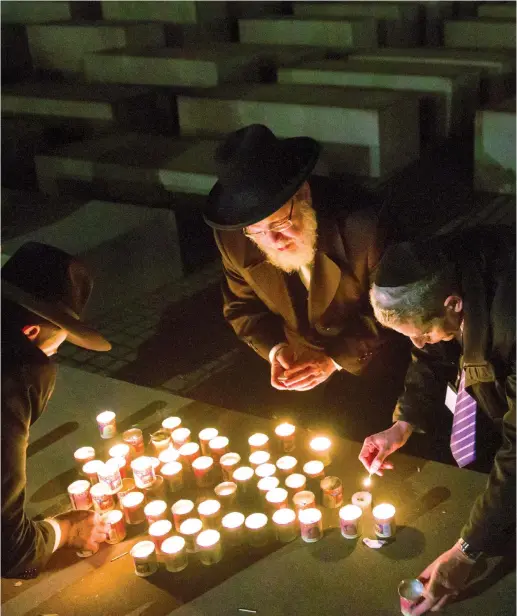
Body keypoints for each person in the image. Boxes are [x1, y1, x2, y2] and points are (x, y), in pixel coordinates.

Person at [202, 124, 408, 434]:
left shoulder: (365, 227)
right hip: (299, 367)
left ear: (303, 195)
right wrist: (275, 350)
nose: (273, 241)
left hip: (368, 362)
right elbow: (241, 309)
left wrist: (333, 360)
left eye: (280, 223)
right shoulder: (234, 237)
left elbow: (395, 309)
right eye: (257, 232)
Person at [359, 226, 515, 614]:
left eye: (423, 333)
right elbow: (431, 357)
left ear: (453, 304)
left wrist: (466, 552)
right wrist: (403, 423)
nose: (419, 343)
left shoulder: (511, 323)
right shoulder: (443, 271)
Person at [2, 242, 112, 578]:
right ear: (31, 332)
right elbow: (9, 547)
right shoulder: (13, 377)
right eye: (58, 342)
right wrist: (65, 530)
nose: (53, 357)